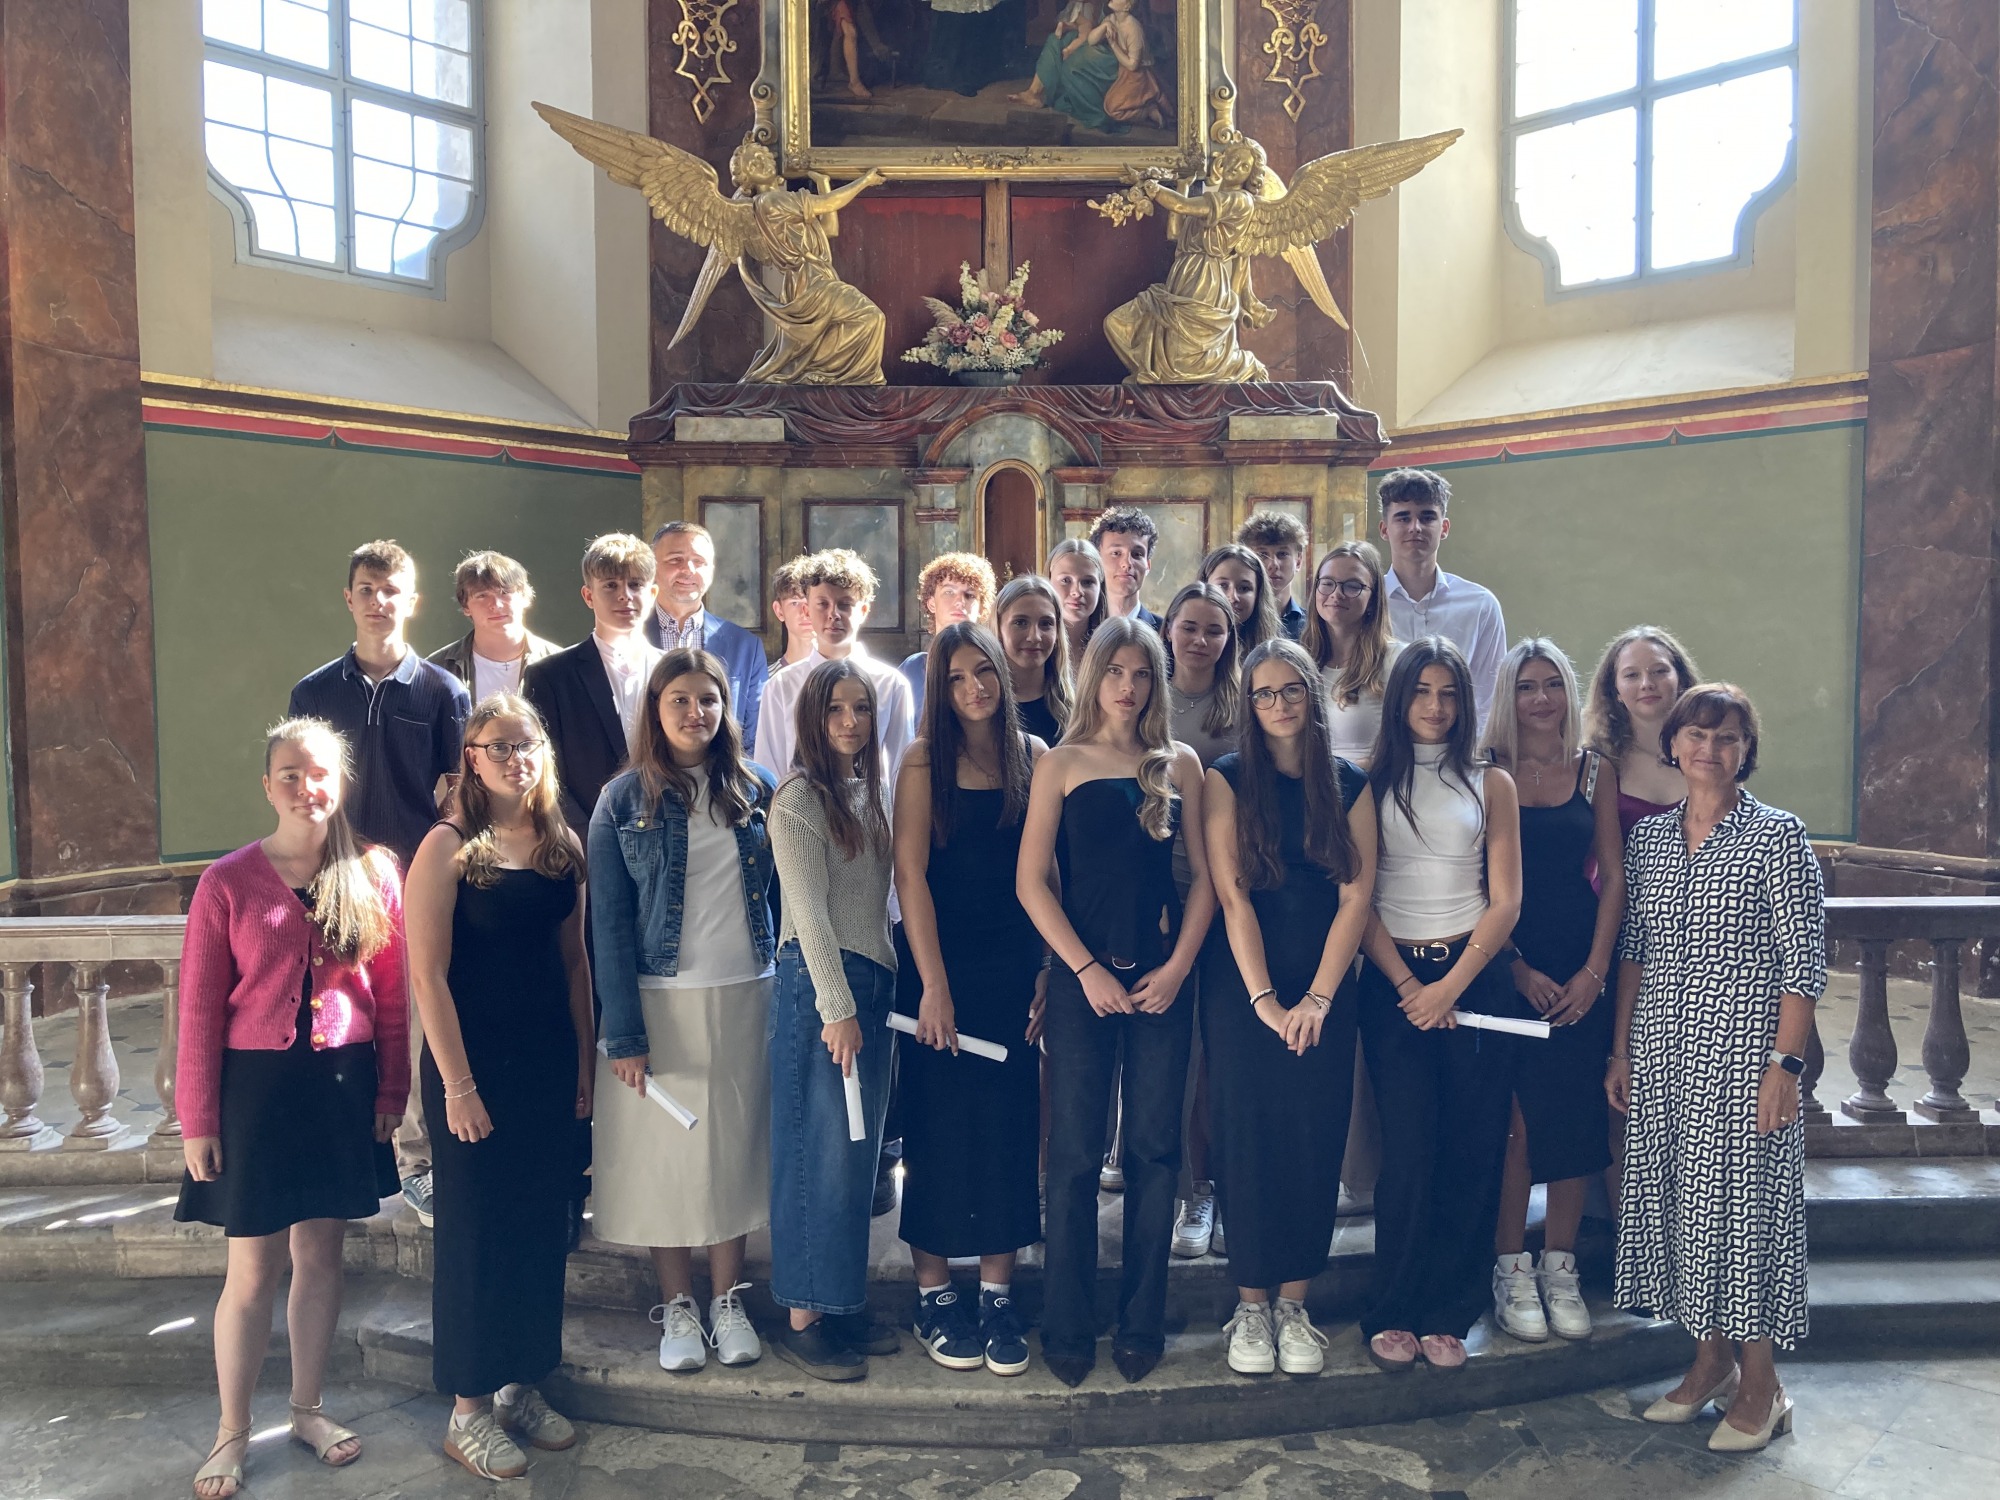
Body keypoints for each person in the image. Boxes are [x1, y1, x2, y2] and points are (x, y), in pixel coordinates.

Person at [177, 719, 408, 1500]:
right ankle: (232, 1430)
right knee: (251, 1270)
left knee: (321, 1257)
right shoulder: (228, 882)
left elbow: (394, 999)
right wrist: (199, 1119)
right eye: (289, 775)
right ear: (267, 786)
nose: (306, 788)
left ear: (340, 783)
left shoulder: (374, 872)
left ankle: (308, 1409)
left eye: (319, 774)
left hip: (341, 1088)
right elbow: (198, 1008)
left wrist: (391, 1093)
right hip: (257, 1092)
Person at [1610, 684, 1824, 1453]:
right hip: (1665, 1054)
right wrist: (1621, 1049)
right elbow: (1635, 949)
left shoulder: (1777, 837)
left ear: (1746, 751)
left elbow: (1803, 964)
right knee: (1685, 1210)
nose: (1710, 749)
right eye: (1697, 735)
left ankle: (1763, 1385)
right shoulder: (1651, 839)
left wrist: (1785, 1068)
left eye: (1727, 737)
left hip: (1745, 1058)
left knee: (1747, 1214)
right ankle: (1710, 1363)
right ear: (1673, 744)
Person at [1018, 617, 1216, 1387]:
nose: (1127, 687)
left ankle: (1141, 1320)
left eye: (1141, 674)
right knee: (1072, 1154)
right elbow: (1031, 883)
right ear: (1093, 675)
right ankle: (1067, 1323)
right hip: (1082, 983)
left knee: (1154, 1153)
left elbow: (1205, 883)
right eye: (1114, 672)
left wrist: (1178, 970)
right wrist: (1082, 970)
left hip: (1163, 979)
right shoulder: (1059, 763)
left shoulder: (1180, 764)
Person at [404, 695, 592, 1480]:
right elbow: (427, 974)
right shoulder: (446, 846)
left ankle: (522, 1383)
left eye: (527, 744)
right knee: (478, 1232)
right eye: (499, 746)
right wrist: (457, 1085)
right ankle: (469, 1410)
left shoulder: (561, 844)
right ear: (472, 759)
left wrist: (583, 1069)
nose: (517, 758)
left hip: (546, 1064)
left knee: (541, 1225)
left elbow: (575, 965)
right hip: (473, 1068)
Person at [589, 649, 778, 1375]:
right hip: (658, 1003)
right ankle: (678, 1306)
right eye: (680, 700)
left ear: (726, 708)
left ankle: (728, 1300)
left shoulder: (756, 789)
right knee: (665, 1161)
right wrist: (623, 1033)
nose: (695, 713)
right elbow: (607, 924)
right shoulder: (621, 801)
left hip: (746, 994)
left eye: (708, 699)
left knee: (731, 1154)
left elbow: (782, 899)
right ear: (655, 709)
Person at [1202, 640, 1377, 1377]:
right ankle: (1250, 1304)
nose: (1277, 705)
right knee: (1246, 1140)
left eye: (1291, 691)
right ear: (1249, 703)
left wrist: (1319, 999)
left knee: (1313, 1139)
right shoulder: (1225, 778)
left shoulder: (1350, 783)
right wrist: (1268, 1002)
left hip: (1326, 987)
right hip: (1244, 988)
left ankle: (1294, 1303)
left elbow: (1357, 896)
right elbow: (1232, 897)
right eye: (1263, 693)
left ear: (1312, 695)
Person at [287, 539, 468, 1230]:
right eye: (367, 588)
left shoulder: (443, 691)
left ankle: (418, 1164)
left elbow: (459, 796)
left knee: (418, 1021)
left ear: (411, 601)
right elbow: (301, 787)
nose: (378, 601)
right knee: (337, 1019)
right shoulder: (313, 693)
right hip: (337, 877)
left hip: (419, 880)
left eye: (391, 590)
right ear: (349, 598)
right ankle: (336, 1152)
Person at [1356, 637, 1523, 1374]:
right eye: (1422, 691)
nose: (1435, 705)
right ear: (1400, 699)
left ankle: (1450, 1309)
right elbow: (1358, 899)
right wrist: (1408, 988)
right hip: (1393, 981)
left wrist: (1449, 988)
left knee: (1471, 1145)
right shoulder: (1367, 784)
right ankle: (1393, 1307)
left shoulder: (1491, 783)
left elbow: (1506, 899)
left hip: (1474, 978)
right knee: (1409, 1152)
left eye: (1449, 693)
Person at [893, 624, 1048, 1377]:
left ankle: (994, 1293)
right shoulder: (923, 761)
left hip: (1013, 967)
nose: (973, 689)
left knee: (1010, 1127)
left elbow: (1049, 875)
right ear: (939, 689)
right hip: (939, 966)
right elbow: (910, 876)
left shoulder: (1034, 755)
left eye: (982, 672)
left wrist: (1049, 966)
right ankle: (933, 1293)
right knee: (938, 1128)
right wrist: (933, 985)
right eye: (954, 678)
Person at [1479, 640, 1624, 1345]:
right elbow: (1472, 879)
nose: (1540, 699)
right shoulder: (1484, 769)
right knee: (1515, 1126)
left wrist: (1595, 971)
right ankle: (1510, 1267)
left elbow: (1613, 877)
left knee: (1573, 1117)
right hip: (1506, 964)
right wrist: (1513, 966)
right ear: (1508, 695)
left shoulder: (1594, 770)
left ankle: (1559, 1266)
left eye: (1552, 685)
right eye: (1526, 686)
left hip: (1576, 967)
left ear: (1569, 692)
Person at [766, 659, 902, 1379]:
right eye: (835, 710)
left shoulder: (868, 792)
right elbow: (809, 914)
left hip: (870, 981)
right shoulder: (798, 798)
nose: (850, 722)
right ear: (813, 719)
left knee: (854, 1160)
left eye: (861, 708)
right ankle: (803, 1319)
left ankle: (841, 1303)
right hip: (822, 989)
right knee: (816, 1155)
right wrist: (837, 1006)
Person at [1301, 539, 1399, 1221]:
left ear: (1373, 595)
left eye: (1353, 585)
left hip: (1374, 832)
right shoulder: (1300, 663)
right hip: (1308, 841)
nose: (1338, 595)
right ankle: (1319, 1163)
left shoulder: (1393, 664)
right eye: (1328, 584)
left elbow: (1402, 748)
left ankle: (1361, 1172)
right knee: (1320, 988)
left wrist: (1345, 780)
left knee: (1363, 1002)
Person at [522, 533, 664, 838]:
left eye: (635, 584)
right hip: (587, 837)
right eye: (610, 585)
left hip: (670, 831)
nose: (625, 595)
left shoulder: (675, 671)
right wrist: (585, 836)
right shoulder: (550, 675)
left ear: (653, 593)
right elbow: (546, 770)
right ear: (588, 596)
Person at [755, 548, 916, 780]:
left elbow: (901, 769)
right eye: (822, 604)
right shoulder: (781, 686)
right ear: (806, 610)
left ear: (863, 610)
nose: (833, 614)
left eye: (845, 604)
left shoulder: (891, 684)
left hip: (872, 801)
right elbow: (769, 769)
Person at [1375, 470, 1506, 732]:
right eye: (1403, 517)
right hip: (1381, 747)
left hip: (1458, 749)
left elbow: (1489, 699)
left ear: (1444, 528)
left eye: (1427, 517)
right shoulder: (1367, 603)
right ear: (1384, 529)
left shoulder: (1480, 605)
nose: (1415, 527)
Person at [646, 521, 771, 750]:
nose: (688, 570)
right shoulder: (631, 638)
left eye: (699, 561)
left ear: (711, 570)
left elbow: (756, 736)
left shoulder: (745, 647)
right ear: (652, 567)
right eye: (675, 560)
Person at [1585, 625, 1703, 842]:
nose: (1647, 684)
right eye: (1632, 675)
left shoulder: (1711, 752)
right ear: (1615, 690)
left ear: (1681, 680)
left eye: (1659, 671)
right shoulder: (1593, 763)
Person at [428, 551, 560, 701]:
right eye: (482, 596)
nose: (496, 605)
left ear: (525, 597)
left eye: (504, 592)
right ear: (465, 606)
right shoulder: (437, 668)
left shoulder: (559, 664)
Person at [899, 552, 998, 716]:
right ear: (931, 603)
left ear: (981, 608)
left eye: (970, 595)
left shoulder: (993, 665)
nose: (960, 602)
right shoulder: (912, 668)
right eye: (949, 592)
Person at [995, 574, 1072, 745]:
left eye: (1045, 624)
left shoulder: (1077, 710)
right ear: (999, 628)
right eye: (1020, 622)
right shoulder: (982, 706)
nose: (1034, 637)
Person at [1199, 543, 1283, 660]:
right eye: (1222, 586)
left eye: (1244, 588)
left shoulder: (1272, 656)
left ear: (1258, 595)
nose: (1233, 597)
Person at [1238, 510, 1309, 640]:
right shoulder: (1235, 621)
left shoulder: (1312, 627)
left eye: (1282, 554)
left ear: (1298, 561)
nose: (1273, 564)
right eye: (1262, 555)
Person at [1090, 506, 1163, 629]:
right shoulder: (1081, 630)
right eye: (1116, 553)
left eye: (1137, 554)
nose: (1127, 563)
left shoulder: (1166, 632)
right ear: (1097, 561)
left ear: (1148, 565)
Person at [1048, 537, 1109, 667]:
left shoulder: (1114, 646)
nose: (1076, 591)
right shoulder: (1035, 645)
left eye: (1087, 582)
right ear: (1048, 582)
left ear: (1100, 587)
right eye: (1066, 580)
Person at [770, 557, 816, 671]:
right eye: (795, 603)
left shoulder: (847, 676)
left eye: (812, 603)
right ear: (779, 611)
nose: (805, 613)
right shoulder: (767, 679)